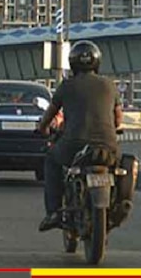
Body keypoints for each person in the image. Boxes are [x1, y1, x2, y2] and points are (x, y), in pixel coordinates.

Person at [36, 40, 123, 232]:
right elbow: (118, 119)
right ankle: (119, 203)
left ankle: (53, 212)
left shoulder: (66, 86)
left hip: (73, 146)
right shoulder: (109, 85)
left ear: (73, 63)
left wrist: (42, 129)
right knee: (121, 166)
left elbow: (49, 115)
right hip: (108, 148)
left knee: (51, 159)